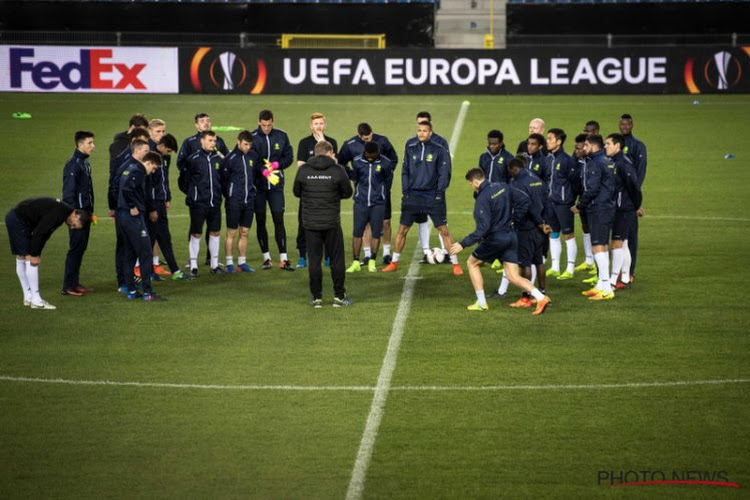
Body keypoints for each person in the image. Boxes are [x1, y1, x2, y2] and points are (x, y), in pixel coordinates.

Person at [450, 168, 551, 315]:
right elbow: (524, 200)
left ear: (476, 182)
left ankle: (482, 303)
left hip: (496, 239)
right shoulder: (503, 186)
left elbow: (482, 229)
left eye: (471, 183)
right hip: (511, 236)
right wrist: (515, 219)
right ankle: (541, 297)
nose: (471, 186)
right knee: (513, 276)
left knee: (472, 263)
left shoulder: (482, 199)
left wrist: (462, 243)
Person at [382, 121, 462, 276]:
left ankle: (455, 264)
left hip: (432, 197)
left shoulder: (439, 150)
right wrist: (406, 192)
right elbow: (404, 170)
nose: (421, 133)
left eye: (425, 131)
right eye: (419, 130)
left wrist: (439, 192)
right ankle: (394, 262)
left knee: (443, 230)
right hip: (412, 197)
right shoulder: (410, 147)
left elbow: (444, 173)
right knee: (402, 230)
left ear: (430, 133)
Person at [293, 140, 353, 308]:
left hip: (310, 223)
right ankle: (339, 297)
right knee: (337, 260)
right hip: (331, 222)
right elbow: (347, 192)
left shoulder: (303, 170)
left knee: (314, 261)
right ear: (329, 153)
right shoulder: (337, 170)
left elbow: (297, 192)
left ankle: (317, 298)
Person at [6, 197, 89, 309]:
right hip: (18, 220)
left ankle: (28, 297)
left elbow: (45, 235)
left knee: (22, 257)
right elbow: (39, 233)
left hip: (17, 219)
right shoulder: (60, 213)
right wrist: (35, 254)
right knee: (29, 258)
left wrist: (37, 252)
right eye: (74, 225)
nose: (71, 227)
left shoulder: (63, 212)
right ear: (76, 215)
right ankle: (36, 300)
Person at [338, 122, 398, 264]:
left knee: (386, 221)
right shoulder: (350, 144)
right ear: (359, 136)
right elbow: (341, 163)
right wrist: (353, 176)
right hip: (363, 192)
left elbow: (393, 158)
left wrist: (384, 177)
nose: (368, 140)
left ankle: (386, 253)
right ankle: (366, 255)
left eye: (370, 137)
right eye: (365, 139)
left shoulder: (382, 140)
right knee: (365, 225)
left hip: (381, 192)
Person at [176, 113, 229, 266]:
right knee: (196, 229)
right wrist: (193, 191)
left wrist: (219, 188)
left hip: (214, 196)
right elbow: (182, 169)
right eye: (202, 121)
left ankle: (211, 259)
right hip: (198, 197)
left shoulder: (219, 142)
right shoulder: (189, 143)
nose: (206, 123)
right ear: (196, 125)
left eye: (208, 121)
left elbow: (226, 165)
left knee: (214, 229)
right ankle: (192, 262)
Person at [571, 134, 617, 300]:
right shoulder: (607, 160)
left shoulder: (595, 163)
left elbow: (592, 189)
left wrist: (580, 205)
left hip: (598, 208)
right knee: (602, 246)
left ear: (593, 146)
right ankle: (601, 285)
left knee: (597, 247)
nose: (584, 148)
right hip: (607, 207)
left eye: (586, 145)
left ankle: (607, 288)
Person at [116, 151, 166, 301]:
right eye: (154, 168)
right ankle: (148, 293)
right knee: (146, 254)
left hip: (123, 217)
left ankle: (131, 291)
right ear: (149, 163)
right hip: (133, 218)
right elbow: (127, 189)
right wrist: (132, 206)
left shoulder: (130, 168)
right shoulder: (138, 171)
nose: (154, 171)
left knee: (130, 254)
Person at [252, 109, 294, 271]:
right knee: (261, 220)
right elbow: (252, 159)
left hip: (276, 186)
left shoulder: (282, 135)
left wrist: (277, 165)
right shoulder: (252, 137)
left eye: (269, 125)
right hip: (259, 186)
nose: (267, 128)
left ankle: (283, 258)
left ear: (273, 122)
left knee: (279, 219)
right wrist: (264, 170)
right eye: (264, 125)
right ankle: (266, 258)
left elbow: (289, 157)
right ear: (259, 122)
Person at [296, 112, 338, 269]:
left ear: (324, 125)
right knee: (303, 223)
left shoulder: (331, 142)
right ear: (310, 126)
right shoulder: (304, 143)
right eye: (316, 124)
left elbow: (335, 164)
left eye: (321, 123)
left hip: (327, 190)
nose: (318, 126)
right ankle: (302, 256)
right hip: (309, 191)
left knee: (329, 224)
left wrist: (323, 144)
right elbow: (300, 166)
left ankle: (327, 257)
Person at [506, 157, 550, 308]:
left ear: (514, 169)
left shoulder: (517, 183)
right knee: (539, 261)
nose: (510, 174)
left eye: (510, 171)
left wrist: (514, 222)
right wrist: (544, 222)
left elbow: (526, 207)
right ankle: (543, 293)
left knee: (525, 263)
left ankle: (526, 297)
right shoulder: (536, 178)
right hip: (541, 227)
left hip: (526, 227)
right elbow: (546, 200)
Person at [109, 138, 152, 291]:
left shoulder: (133, 165)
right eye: (146, 151)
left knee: (129, 249)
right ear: (137, 150)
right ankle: (123, 283)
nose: (148, 154)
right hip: (126, 212)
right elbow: (115, 187)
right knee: (126, 248)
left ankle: (128, 284)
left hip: (123, 210)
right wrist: (118, 207)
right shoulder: (132, 166)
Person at [146, 132, 189, 281]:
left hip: (160, 202)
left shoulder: (165, 157)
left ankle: (174, 270)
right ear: (162, 146)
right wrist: (152, 208)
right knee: (151, 239)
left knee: (163, 236)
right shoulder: (150, 158)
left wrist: (168, 197)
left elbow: (164, 181)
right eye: (168, 150)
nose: (169, 154)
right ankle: (148, 272)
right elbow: (149, 186)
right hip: (153, 204)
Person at [346, 141, 393, 273]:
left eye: (373, 155)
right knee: (357, 233)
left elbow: (388, 183)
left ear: (377, 152)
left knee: (376, 233)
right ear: (365, 152)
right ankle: (355, 261)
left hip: (377, 204)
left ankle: (372, 261)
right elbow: (355, 178)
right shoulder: (357, 161)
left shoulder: (386, 163)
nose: (370, 157)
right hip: (360, 203)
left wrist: (380, 195)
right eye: (368, 154)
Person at [605, 133, 643, 290]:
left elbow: (634, 187)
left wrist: (635, 206)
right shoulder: (614, 161)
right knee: (624, 243)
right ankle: (625, 277)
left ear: (617, 146)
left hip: (624, 209)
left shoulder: (624, 163)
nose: (605, 146)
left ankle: (613, 281)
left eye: (608, 144)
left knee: (617, 243)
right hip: (619, 207)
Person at [61, 130, 95, 297]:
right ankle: (68, 285)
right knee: (75, 249)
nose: (93, 146)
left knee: (80, 249)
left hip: (85, 214)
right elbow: (68, 193)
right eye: (89, 143)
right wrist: (73, 216)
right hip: (77, 217)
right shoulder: (73, 164)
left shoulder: (84, 163)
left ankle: (74, 282)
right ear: (79, 144)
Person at [414, 111, 451, 263]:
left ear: (430, 125)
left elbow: (446, 166)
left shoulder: (440, 142)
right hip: (419, 190)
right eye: (419, 124)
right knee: (421, 220)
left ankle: (445, 252)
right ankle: (426, 252)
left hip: (435, 189)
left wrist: (441, 188)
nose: (421, 127)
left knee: (441, 222)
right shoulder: (414, 142)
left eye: (424, 123)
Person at [222, 130, 259, 273]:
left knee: (244, 231)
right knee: (231, 232)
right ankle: (229, 263)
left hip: (249, 200)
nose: (247, 147)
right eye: (245, 144)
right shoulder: (230, 159)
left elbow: (254, 175)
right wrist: (230, 196)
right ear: (238, 142)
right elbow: (223, 180)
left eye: (249, 145)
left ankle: (242, 262)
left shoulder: (252, 156)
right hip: (234, 201)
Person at [544, 128, 578, 280]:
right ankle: (555, 267)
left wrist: (570, 199)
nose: (547, 141)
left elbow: (575, 182)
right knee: (553, 233)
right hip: (551, 202)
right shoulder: (549, 158)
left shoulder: (566, 160)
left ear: (559, 142)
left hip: (564, 204)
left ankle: (570, 268)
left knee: (568, 235)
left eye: (550, 139)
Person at [619, 113, 647, 281]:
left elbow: (640, 173)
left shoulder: (638, 146)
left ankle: (630, 272)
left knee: (630, 238)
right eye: (622, 124)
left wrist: (635, 199)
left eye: (627, 124)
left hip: (630, 198)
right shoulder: (616, 143)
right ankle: (620, 272)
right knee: (618, 239)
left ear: (632, 125)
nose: (624, 127)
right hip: (618, 198)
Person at [571, 133, 595, 273]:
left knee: (595, 233)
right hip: (583, 199)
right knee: (586, 228)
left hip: (592, 202)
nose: (576, 151)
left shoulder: (592, 163)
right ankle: (589, 260)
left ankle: (598, 267)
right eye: (576, 148)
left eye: (579, 148)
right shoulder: (577, 160)